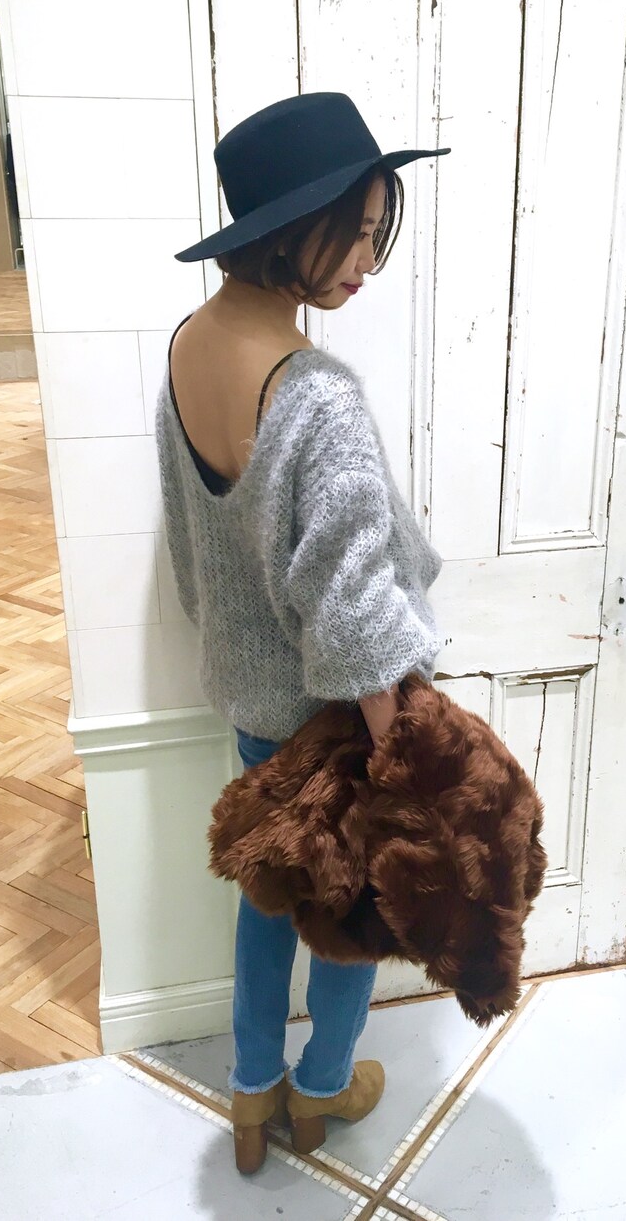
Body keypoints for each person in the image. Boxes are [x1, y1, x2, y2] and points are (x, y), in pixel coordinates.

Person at [156, 92, 448, 1173]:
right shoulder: (316, 394)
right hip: (335, 718)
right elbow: (357, 613)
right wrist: (400, 747)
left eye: (377, 231)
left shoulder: (187, 345)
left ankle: (250, 1091)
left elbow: (197, 545)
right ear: (291, 225)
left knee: (269, 892)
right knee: (347, 909)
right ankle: (320, 1090)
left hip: (251, 706)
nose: (368, 258)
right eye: (355, 230)